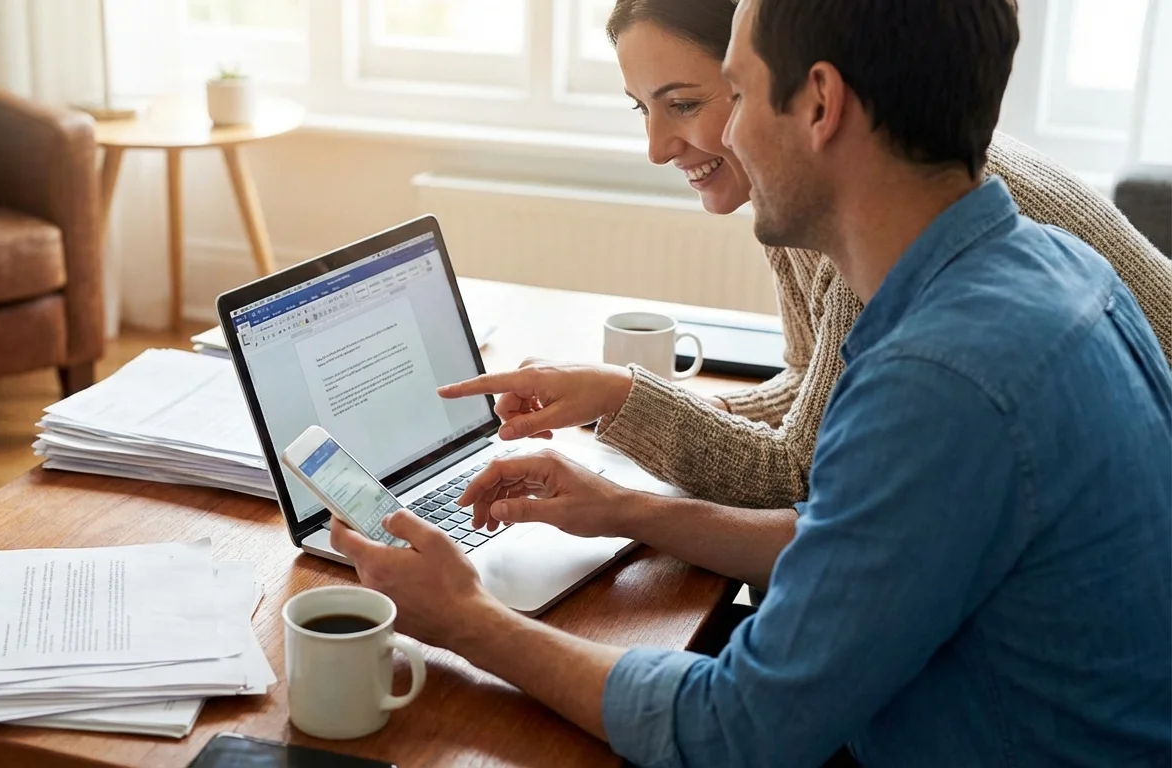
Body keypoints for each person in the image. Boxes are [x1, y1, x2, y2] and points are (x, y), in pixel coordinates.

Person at [329, 0, 1172, 765]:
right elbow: (864, 539)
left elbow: (732, 731)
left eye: (730, 89)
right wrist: (622, 509)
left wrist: (469, 621)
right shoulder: (1059, 268)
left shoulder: (937, 379)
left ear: (818, 103)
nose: (715, 140)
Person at [431, 0, 1172, 593]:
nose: (657, 146)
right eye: (641, 109)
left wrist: (628, 409)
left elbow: (800, 479)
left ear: (793, 87)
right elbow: (812, 391)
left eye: (685, 103)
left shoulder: (885, 218)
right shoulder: (834, 193)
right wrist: (620, 400)